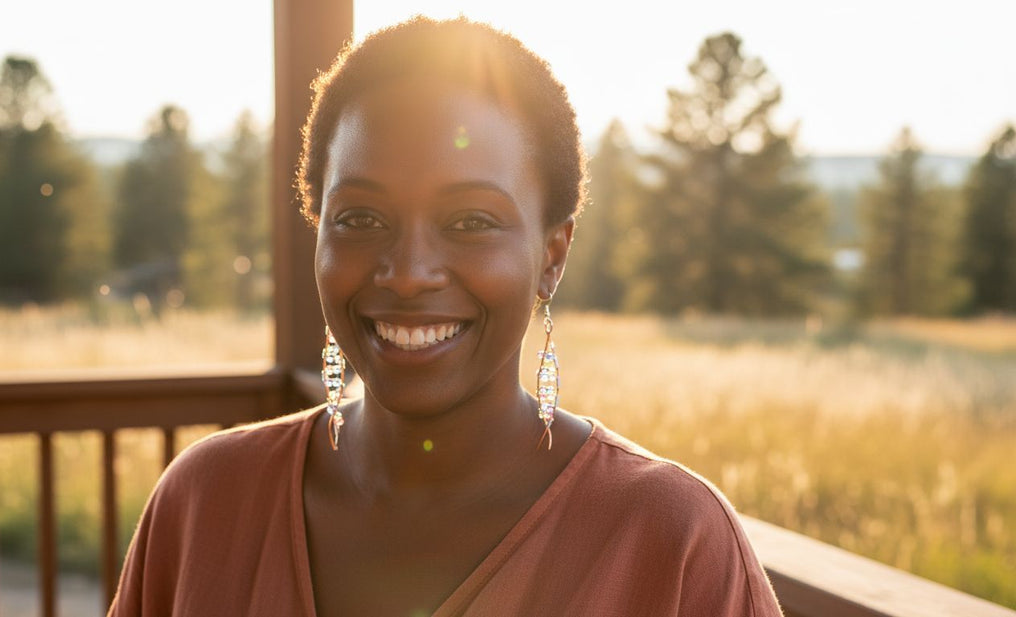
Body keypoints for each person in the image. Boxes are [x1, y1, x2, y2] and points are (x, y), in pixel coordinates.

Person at [109, 16, 783, 617]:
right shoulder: (204, 503)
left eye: (470, 221)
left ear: (552, 254)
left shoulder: (669, 541)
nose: (407, 272)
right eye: (361, 218)